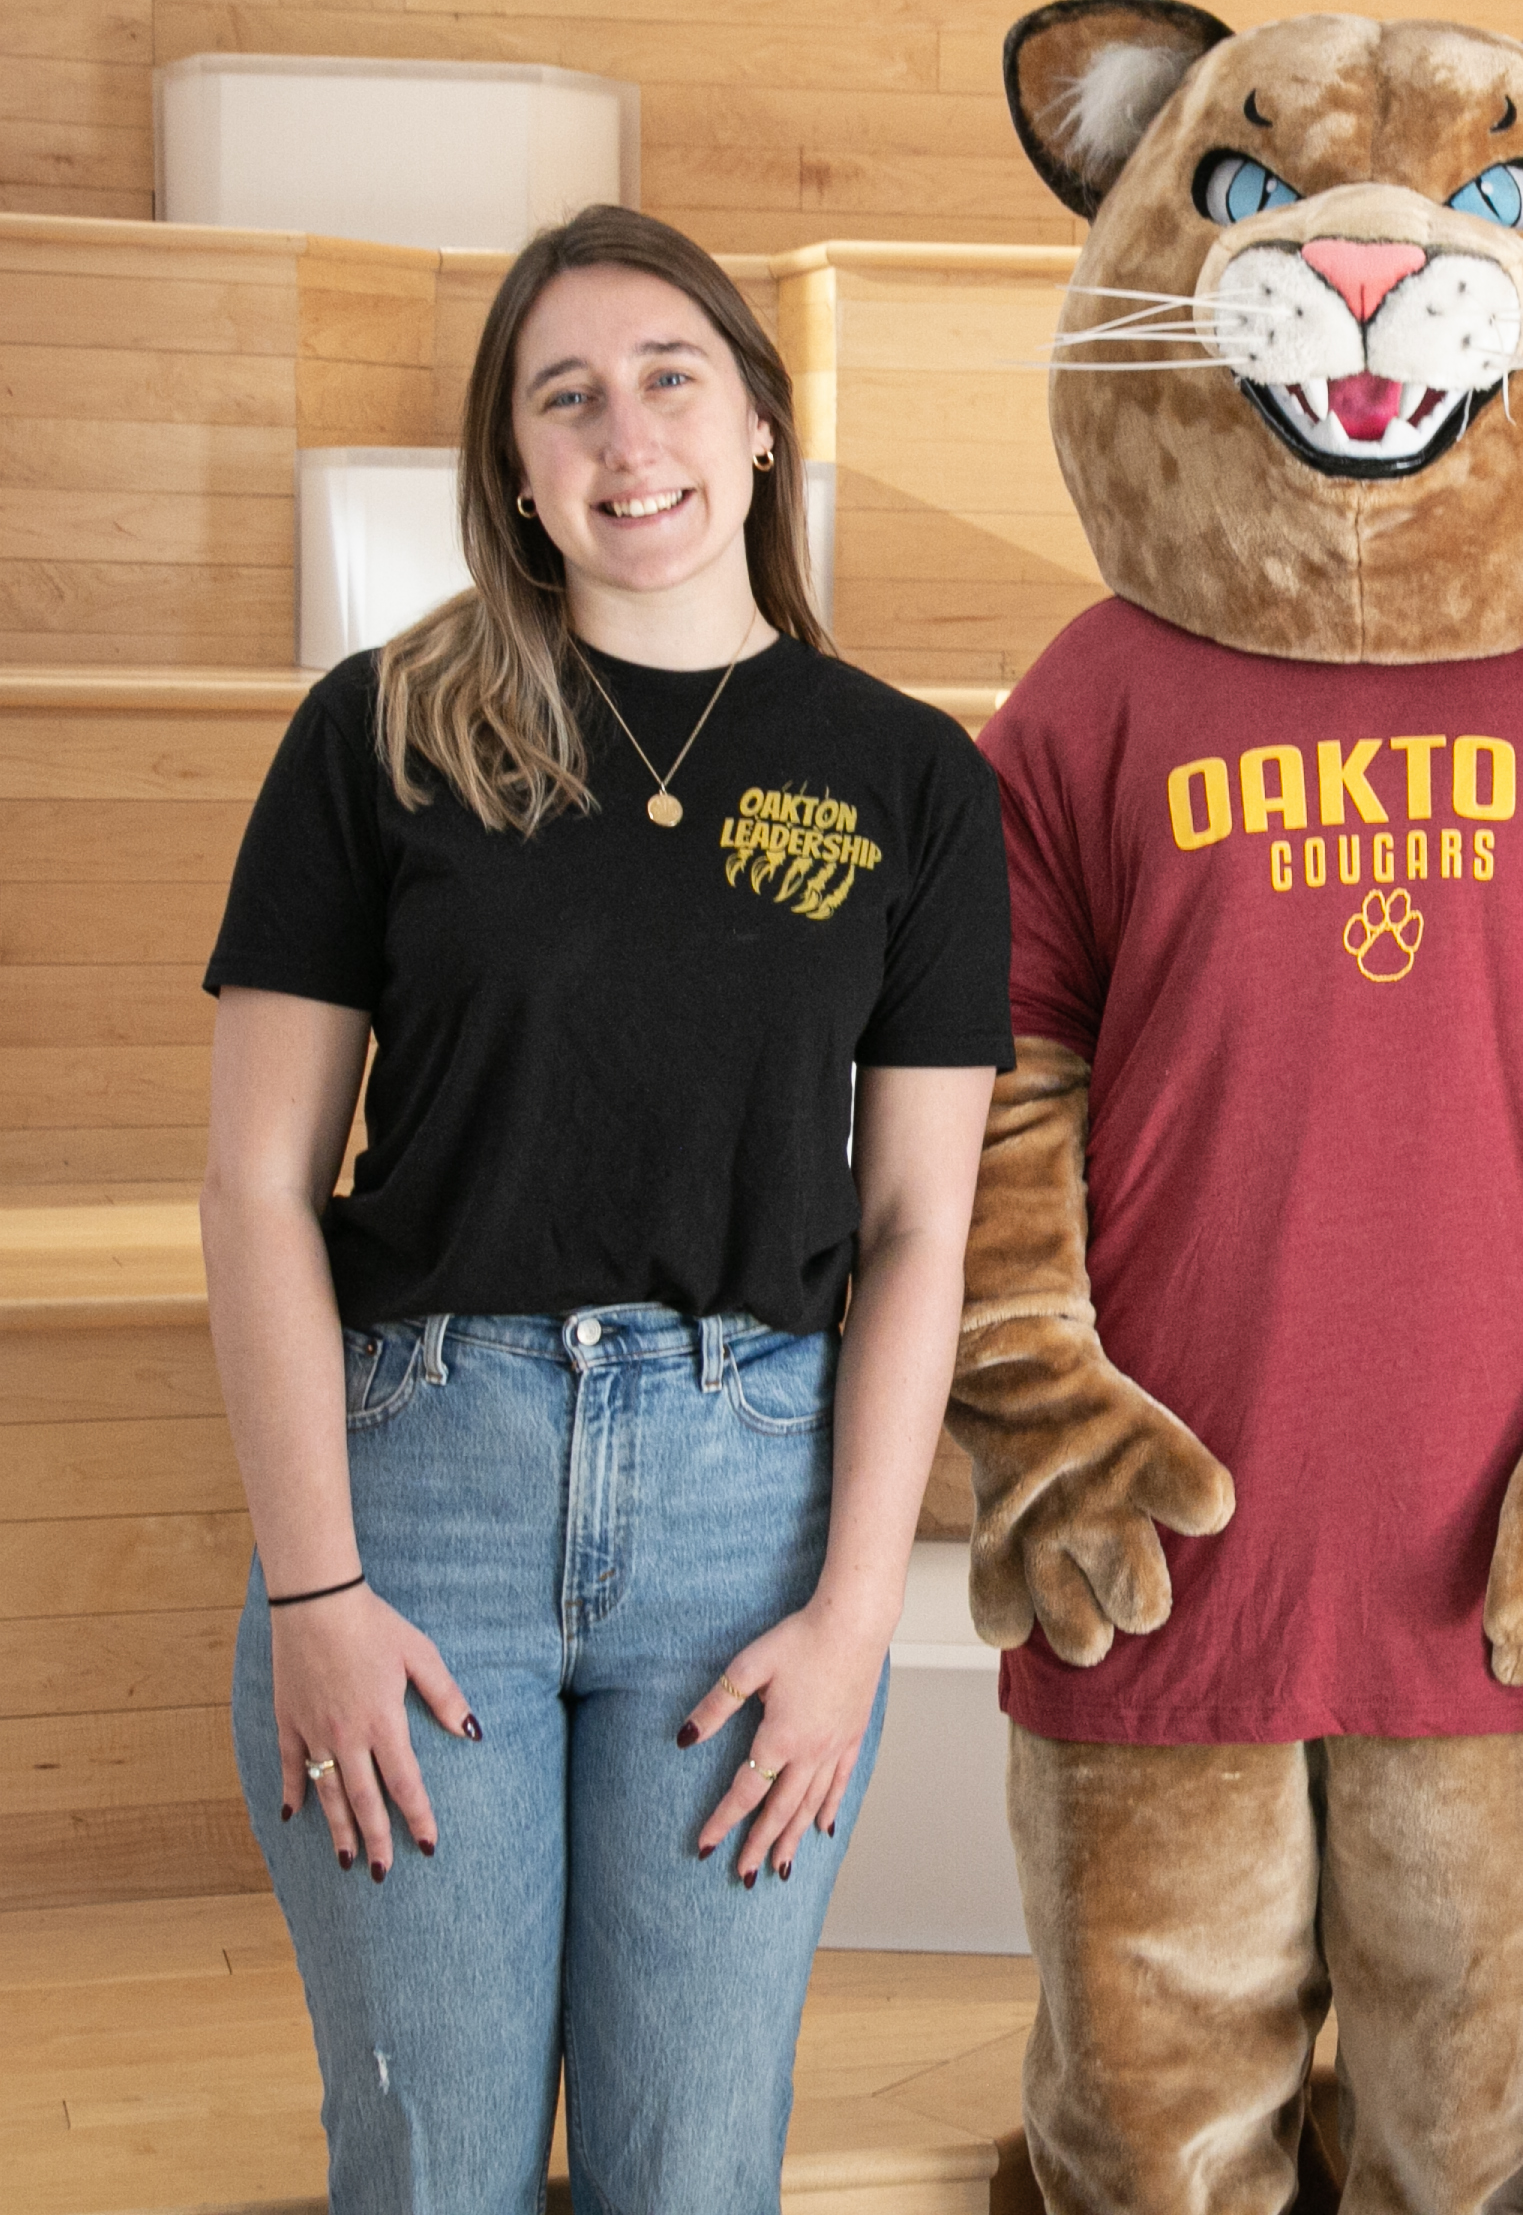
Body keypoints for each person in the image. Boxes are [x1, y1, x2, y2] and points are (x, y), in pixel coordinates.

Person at [199, 206, 1009, 2213]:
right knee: (435, 2168)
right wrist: (313, 1591)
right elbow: (252, 1184)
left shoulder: (910, 779)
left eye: (667, 377)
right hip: (420, 1508)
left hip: (749, 1522)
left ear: (755, 426)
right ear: (515, 472)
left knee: (693, 2174)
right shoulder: (381, 732)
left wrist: (847, 1621)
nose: (621, 431)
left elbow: (916, 1235)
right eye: (563, 397)